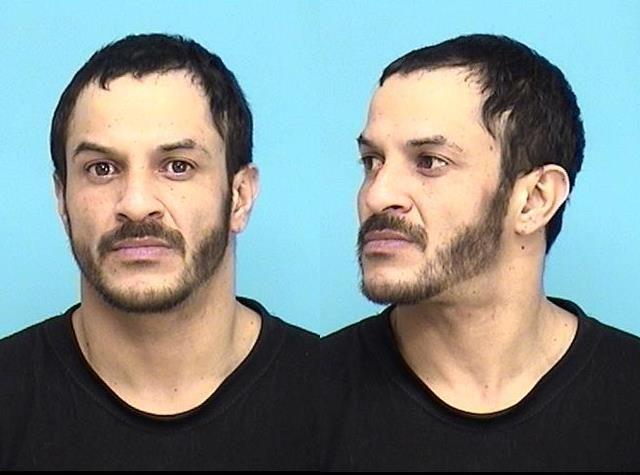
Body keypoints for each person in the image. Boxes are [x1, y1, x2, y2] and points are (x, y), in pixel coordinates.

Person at [321, 34, 640, 471]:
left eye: (429, 161)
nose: (377, 195)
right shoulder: (300, 400)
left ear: (534, 200)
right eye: (372, 161)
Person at [0, 33, 317, 470]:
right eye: (101, 169)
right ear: (62, 198)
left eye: (177, 166)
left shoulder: (331, 395)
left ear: (240, 197)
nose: (135, 204)